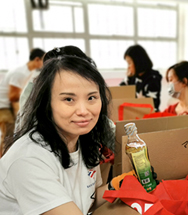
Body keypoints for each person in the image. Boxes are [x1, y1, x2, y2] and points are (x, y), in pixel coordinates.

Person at [0, 49, 128, 215]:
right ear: (47, 103)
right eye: (69, 99)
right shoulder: (29, 159)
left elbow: (87, 199)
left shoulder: (83, 141)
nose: (83, 111)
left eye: (91, 98)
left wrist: (117, 185)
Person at [0, 48, 45, 157]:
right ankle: (4, 162)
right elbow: (12, 96)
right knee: (8, 137)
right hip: (4, 106)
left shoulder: (31, 72)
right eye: (43, 60)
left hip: (11, 106)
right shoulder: (20, 73)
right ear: (37, 59)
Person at [120, 44, 162, 112]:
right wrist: (128, 78)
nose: (128, 67)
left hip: (150, 115)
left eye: (129, 63)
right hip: (135, 112)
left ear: (138, 62)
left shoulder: (153, 78)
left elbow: (151, 104)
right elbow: (120, 91)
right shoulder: (133, 77)